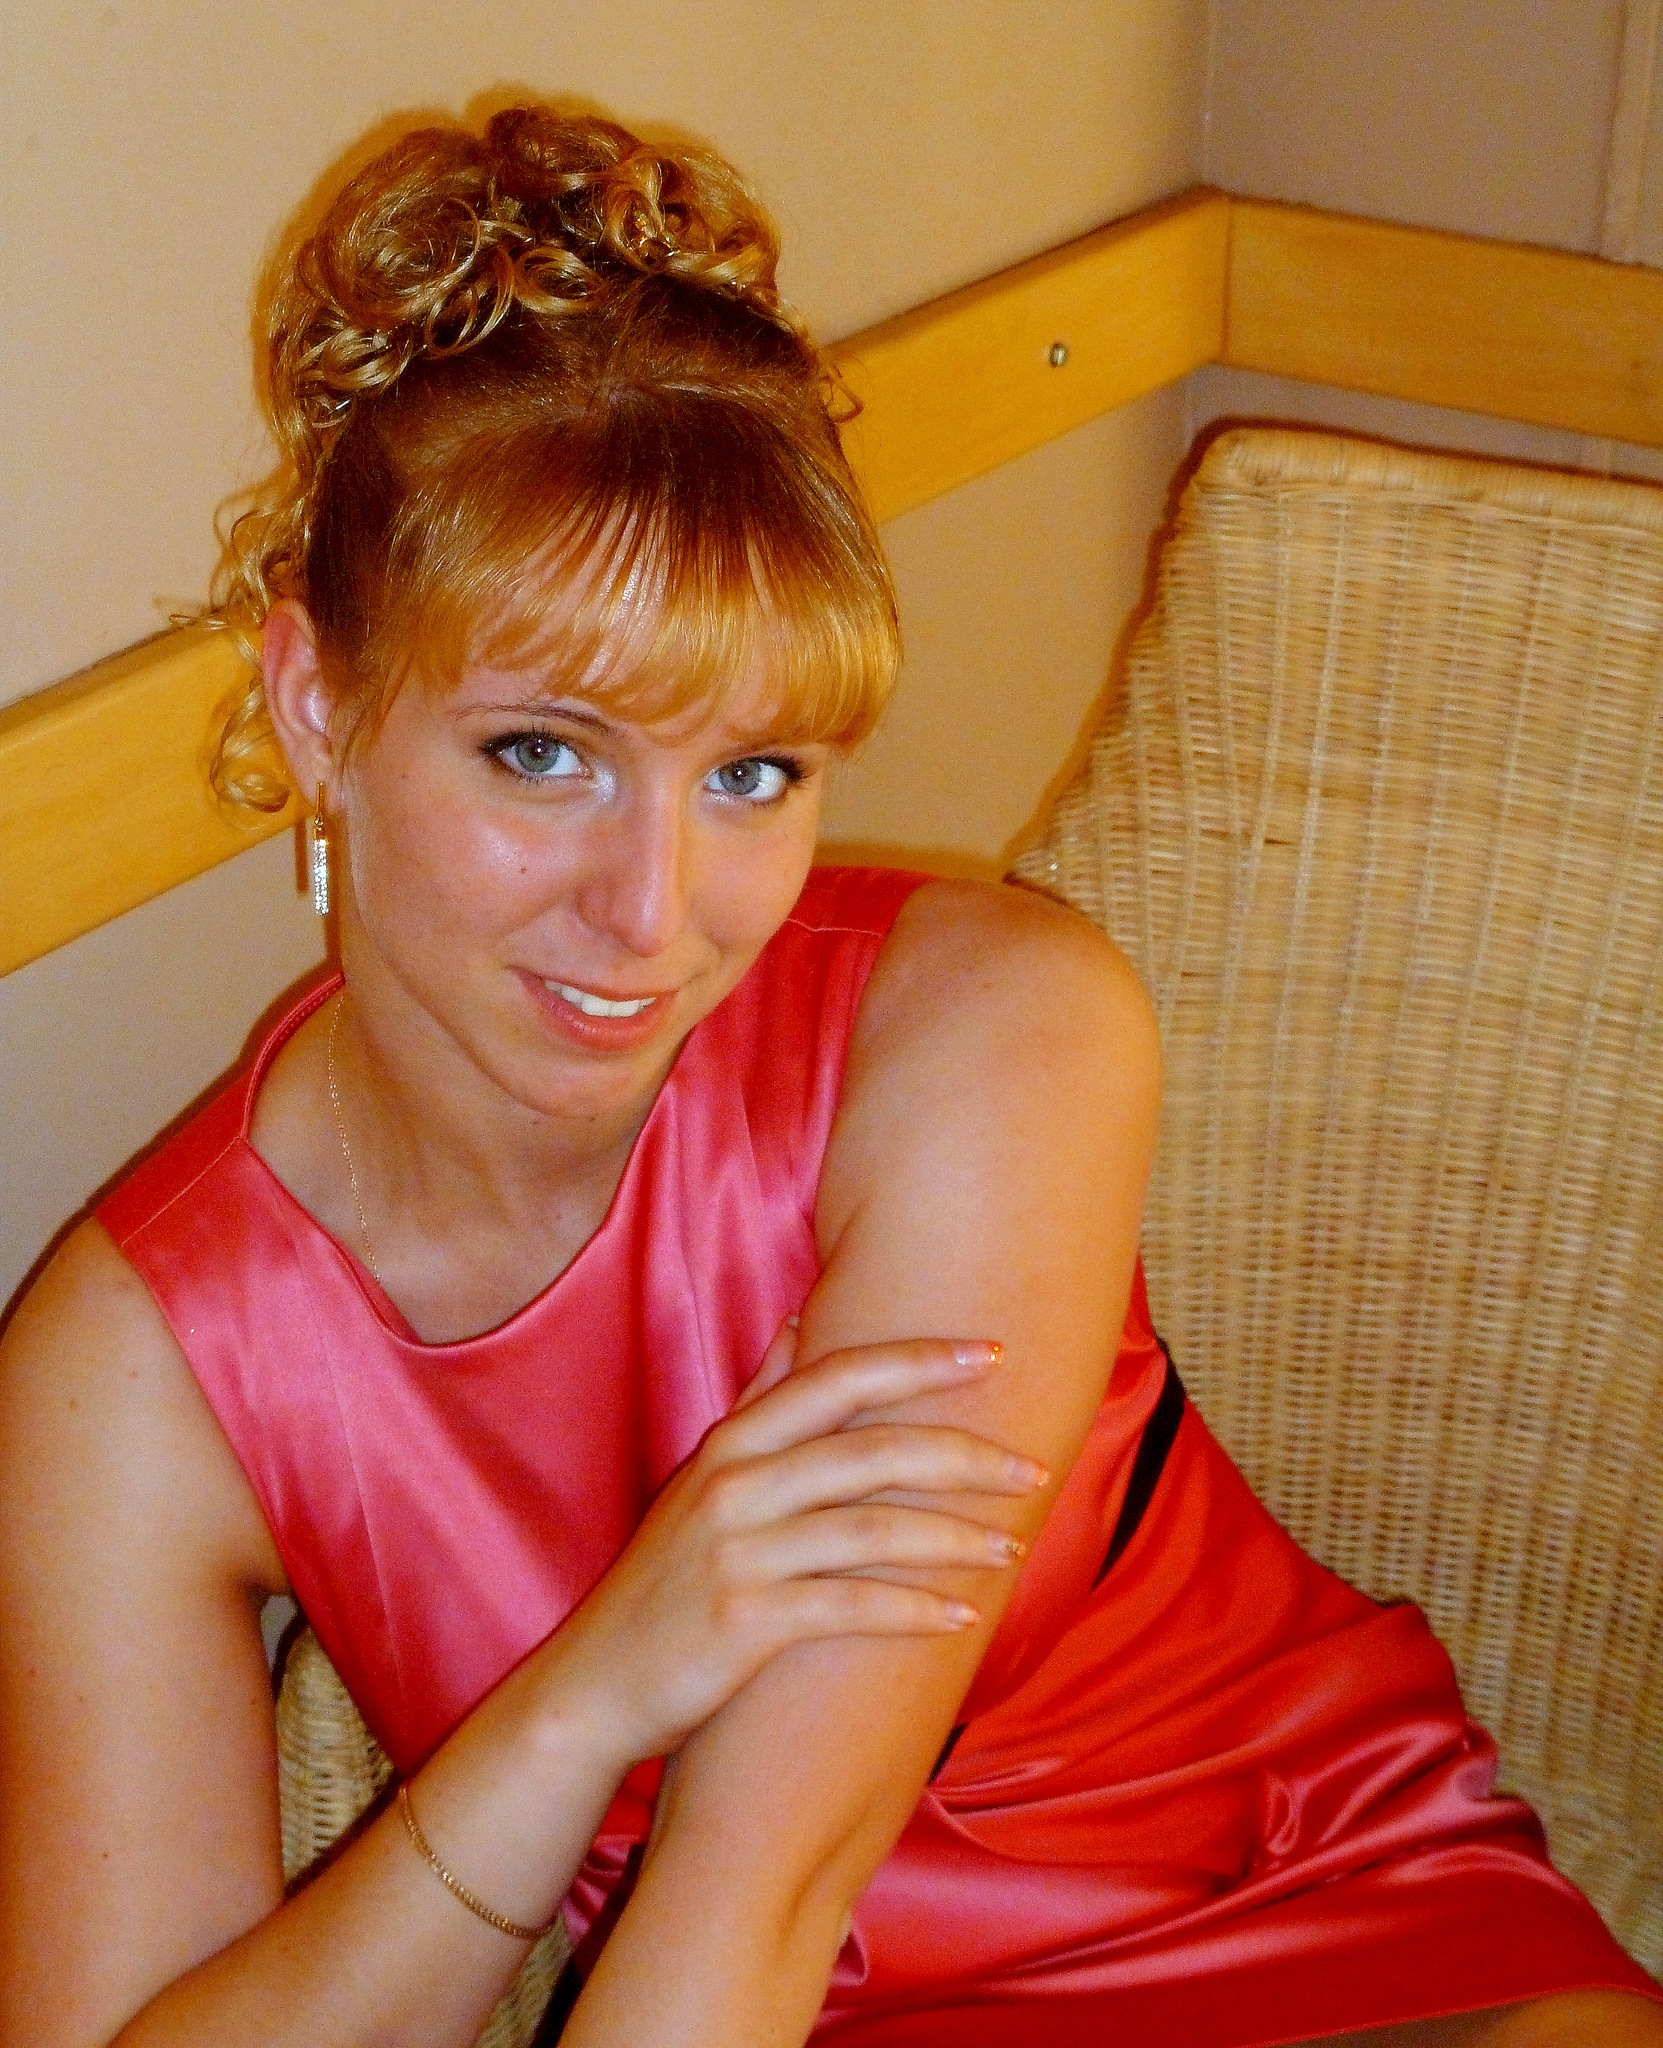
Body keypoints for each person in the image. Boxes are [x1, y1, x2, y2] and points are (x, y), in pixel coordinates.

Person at [0, 104, 1658, 2048]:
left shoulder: (988, 1039)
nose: (654, 913)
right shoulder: (136, 1363)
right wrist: (583, 1700)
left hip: (1318, 1919)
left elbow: (764, 1888)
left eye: (753, 775)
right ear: (316, 705)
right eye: (544, 753)